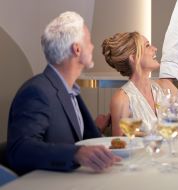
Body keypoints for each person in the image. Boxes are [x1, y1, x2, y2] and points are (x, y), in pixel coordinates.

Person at [7, 11, 119, 175]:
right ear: (77, 49)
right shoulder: (37, 91)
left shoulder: (68, 90)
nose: (93, 46)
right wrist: (76, 153)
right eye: (89, 42)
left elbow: (73, 137)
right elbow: (20, 149)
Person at [102, 32, 178, 135]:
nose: (154, 48)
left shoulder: (165, 86)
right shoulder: (121, 99)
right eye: (147, 45)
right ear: (134, 58)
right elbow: (119, 145)